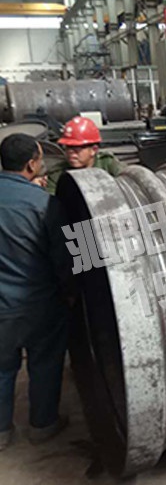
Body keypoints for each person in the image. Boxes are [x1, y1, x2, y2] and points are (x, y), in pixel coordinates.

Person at [0, 134, 73, 451]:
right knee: (45, 364)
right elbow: (66, 260)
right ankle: (43, 425)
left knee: (2, 369)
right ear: (32, 164)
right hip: (39, 304)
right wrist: (73, 294)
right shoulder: (46, 204)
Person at [46, 116, 125, 195]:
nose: (71, 152)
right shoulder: (57, 173)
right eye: (68, 147)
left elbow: (127, 185)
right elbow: (52, 199)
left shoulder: (107, 164)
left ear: (93, 150)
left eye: (76, 148)